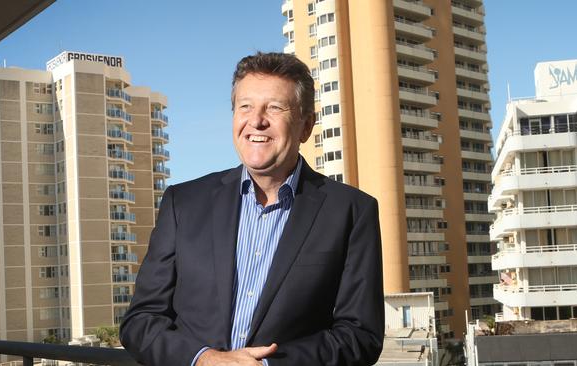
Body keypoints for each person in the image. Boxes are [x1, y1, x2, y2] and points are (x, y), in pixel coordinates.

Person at [120, 52, 384, 366]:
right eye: (245, 106)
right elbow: (141, 321)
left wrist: (268, 365)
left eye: (275, 107)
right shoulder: (183, 203)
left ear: (306, 126)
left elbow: (360, 335)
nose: (256, 120)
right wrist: (203, 359)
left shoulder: (352, 212)